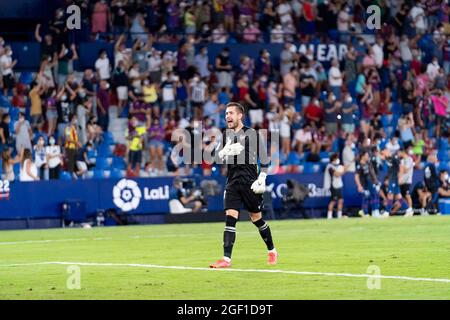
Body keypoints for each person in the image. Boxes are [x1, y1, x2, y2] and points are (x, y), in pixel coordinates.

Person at [210, 102, 277, 268]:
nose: (227, 116)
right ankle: (226, 259)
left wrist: (262, 178)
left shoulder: (252, 134)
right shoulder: (225, 136)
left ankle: (272, 250)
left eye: (231, 113)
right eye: (226, 113)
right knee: (230, 218)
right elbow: (215, 158)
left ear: (240, 116)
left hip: (250, 183)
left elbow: (265, 159)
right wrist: (223, 152)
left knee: (256, 219)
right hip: (232, 182)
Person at [381, 148, 414, 217]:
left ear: (387, 151)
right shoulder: (387, 159)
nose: (383, 154)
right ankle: (408, 210)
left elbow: (401, 167)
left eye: (383, 152)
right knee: (398, 196)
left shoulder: (394, 158)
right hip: (391, 178)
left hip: (394, 179)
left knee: (390, 195)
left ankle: (387, 212)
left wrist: (400, 178)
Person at [354, 150, 382, 218]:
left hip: (370, 182)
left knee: (374, 195)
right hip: (364, 184)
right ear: (363, 156)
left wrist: (376, 182)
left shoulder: (368, 163)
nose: (368, 157)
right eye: (366, 155)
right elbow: (356, 176)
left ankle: (375, 211)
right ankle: (365, 213)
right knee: (366, 198)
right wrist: (359, 186)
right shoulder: (359, 165)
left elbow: (372, 173)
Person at [323, 153, 346, 219]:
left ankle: (339, 215)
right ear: (333, 159)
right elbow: (336, 174)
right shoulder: (330, 167)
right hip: (333, 186)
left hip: (339, 185)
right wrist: (344, 171)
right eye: (336, 158)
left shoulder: (337, 166)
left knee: (341, 200)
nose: (337, 160)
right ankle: (329, 216)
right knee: (333, 201)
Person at [399, 148, 415, 217]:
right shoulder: (402, 160)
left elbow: (406, 170)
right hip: (401, 181)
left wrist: (400, 167)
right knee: (402, 196)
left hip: (407, 180)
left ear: (402, 152)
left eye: (399, 152)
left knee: (407, 195)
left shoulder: (409, 159)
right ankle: (407, 209)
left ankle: (410, 209)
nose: (398, 154)